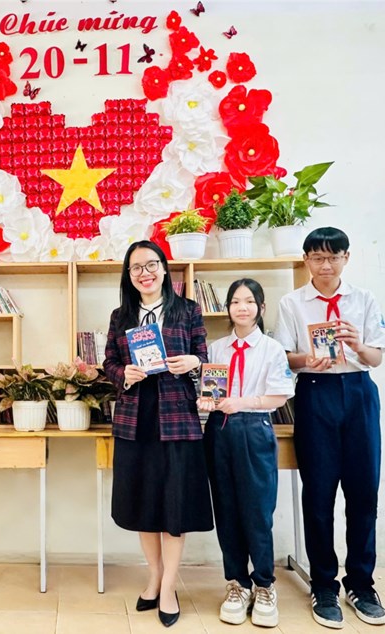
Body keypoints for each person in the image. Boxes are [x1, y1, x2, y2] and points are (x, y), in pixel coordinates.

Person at [275, 227, 385, 629]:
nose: (326, 265)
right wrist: (307, 359)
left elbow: (376, 358)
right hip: (314, 393)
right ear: (306, 260)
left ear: (346, 258)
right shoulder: (292, 302)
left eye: (333, 257)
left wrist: (357, 345)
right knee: (318, 494)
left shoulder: (364, 299)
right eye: (318, 257)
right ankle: (323, 584)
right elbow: (285, 357)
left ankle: (361, 584)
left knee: (363, 493)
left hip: (358, 393)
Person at [103, 240, 213, 628]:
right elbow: (109, 362)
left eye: (151, 265)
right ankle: (153, 575)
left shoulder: (187, 310)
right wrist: (124, 374)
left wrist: (193, 361)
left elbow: (204, 357)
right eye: (136, 268)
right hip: (135, 420)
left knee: (174, 505)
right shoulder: (121, 315)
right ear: (128, 276)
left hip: (177, 419)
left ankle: (168, 587)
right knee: (144, 504)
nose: (144, 273)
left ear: (164, 269)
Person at [198, 279, 294, 628]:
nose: (242, 307)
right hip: (218, 431)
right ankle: (237, 583)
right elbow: (209, 389)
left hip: (254, 429)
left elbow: (279, 396)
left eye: (249, 301)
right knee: (226, 510)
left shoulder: (272, 349)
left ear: (261, 308)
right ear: (227, 308)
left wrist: (241, 402)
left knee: (257, 511)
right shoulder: (216, 348)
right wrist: (206, 401)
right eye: (236, 301)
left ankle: (264, 585)